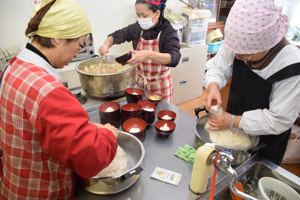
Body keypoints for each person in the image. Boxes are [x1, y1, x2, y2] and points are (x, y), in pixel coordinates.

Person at [0, 0, 119, 199]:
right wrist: (107, 135)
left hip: (13, 184)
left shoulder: (12, 67)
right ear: (57, 38)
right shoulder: (48, 92)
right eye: (80, 45)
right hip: (42, 191)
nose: (75, 54)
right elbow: (90, 158)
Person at [204, 0, 300, 165]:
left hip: (267, 142)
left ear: (268, 45)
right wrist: (213, 87)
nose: (239, 57)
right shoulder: (239, 43)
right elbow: (218, 68)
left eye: (245, 56)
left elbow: (279, 119)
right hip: (232, 125)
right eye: (236, 53)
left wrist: (234, 120)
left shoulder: (291, 66)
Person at [98, 0, 181, 103]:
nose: (141, 19)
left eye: (144, 15)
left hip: (160, 86)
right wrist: (105, 45)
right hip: (140, 83)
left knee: (160, 115)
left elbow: (174, 58)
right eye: (138, 15)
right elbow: (116, 36)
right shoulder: (137, 28)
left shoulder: (168, 32)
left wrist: (149, 54)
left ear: (157, 13)